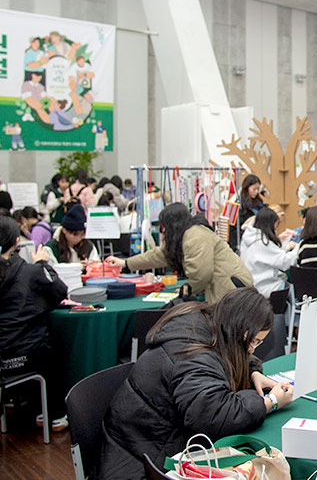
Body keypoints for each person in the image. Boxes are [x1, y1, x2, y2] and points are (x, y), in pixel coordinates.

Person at [98, 287, 293, 480]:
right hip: (144, 464)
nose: (252, 349)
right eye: (254, 341)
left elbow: (228, 352)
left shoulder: (206, 323)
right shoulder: (195, 356)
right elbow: (214, 416)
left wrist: (253, 372)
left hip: (146, 443)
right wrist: (271, 402)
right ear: (239, 331)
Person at [0, 217, 69, 432]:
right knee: (57, 349)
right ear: (17, 241)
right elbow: (60, 291)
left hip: (2, 356)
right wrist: (42, 264)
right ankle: (55, 414)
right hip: (30, 356)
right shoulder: (31, 273)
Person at [106, 203, 253, 302]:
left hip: (232, 290)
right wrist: (126, 263)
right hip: (225, 289)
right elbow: (158, 255)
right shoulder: (185, 235)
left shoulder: (195, 236)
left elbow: (201, 273)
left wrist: (188, 289)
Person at [240, 207, 298, 299]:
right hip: (264, 288)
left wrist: (285, 247)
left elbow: (272, 256)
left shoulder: (250, 238)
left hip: (253, 285)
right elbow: (285, 262)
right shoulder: (262, 243)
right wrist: (298, 248)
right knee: (293, 292)